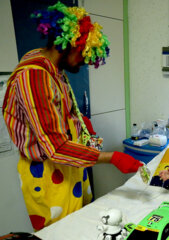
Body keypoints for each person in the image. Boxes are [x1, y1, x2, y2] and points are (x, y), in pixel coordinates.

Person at [2, 2, 143, 231]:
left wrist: (80, 127)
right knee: (63, 233)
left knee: (83, 227)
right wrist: (113, 157)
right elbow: (55, 148)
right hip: (48, 175)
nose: (84, 62)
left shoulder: (54, 69)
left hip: (71, 168)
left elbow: (59, 114)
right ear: (66, 43)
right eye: (82, 54)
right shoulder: (34, 77)